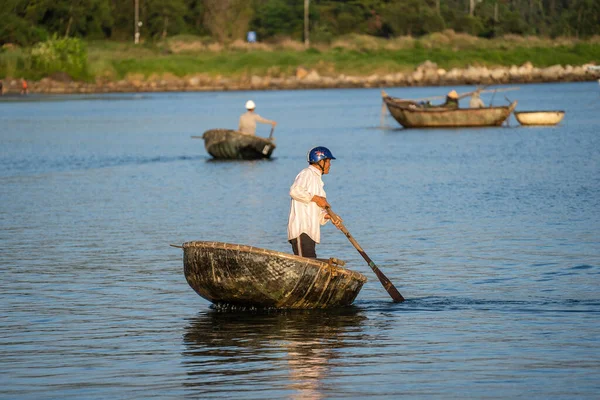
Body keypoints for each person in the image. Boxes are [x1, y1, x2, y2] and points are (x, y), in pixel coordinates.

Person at [287, 146, 342, 258]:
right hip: (301, 231)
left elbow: (318, 214)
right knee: (306, 265)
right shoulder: (307, 173)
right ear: (320, 161)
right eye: (328, 161)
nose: (330, 165)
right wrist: (316, 198)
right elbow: (295, 191)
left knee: (310, 264)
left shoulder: (319, 183)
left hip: (310, 233)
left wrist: (329, 217)